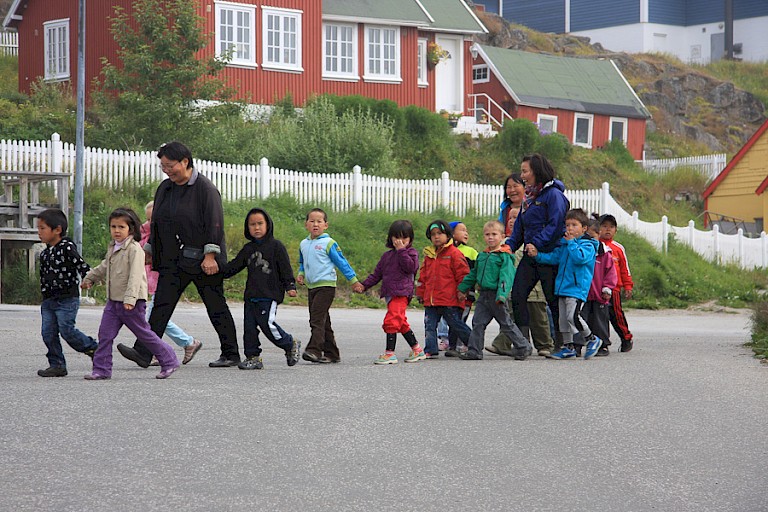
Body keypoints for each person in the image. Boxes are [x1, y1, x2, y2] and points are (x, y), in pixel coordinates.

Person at [115, 142, 240, 368]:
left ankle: (231, 353)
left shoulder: (205, 189)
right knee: (161, 306)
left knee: (216, 306)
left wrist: (210, 255)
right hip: (173, 259)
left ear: (185, 162)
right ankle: (144, 352)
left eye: (170, 165)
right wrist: (149, 250)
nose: (167, 170)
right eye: (163, 166)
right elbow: (157, 223)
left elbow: (215, 223)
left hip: (202, 260)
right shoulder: (165, 188)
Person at [81, 208, 180, 379]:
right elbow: (104, 266)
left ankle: (169, 360)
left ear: (131, 229)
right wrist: (90, 278)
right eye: (113, 226)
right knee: (105, 335)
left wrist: (130, 298)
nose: (117, 231)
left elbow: (136, 276)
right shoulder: (113, 247)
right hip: (114, 302)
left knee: (144, 334)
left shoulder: (135, 250)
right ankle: (102, 369)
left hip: (131, 303)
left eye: (121, 227)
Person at [221, 207, 301, 370]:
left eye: (260, 223)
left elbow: (285, 268)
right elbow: (234, 266)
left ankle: (289, 343)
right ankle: (253, 357)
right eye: (252, 224)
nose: (256, 228)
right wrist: (219, 271)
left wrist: (290, 285)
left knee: (267, 324)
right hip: (251, 296)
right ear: (247, 227)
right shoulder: (248, 249)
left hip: (269, 295)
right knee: (249, 328)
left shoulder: (276, 246)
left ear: (268, 225)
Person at [506, 154, 570, 351]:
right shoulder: (529, 198)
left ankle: (562, 342)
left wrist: (537, 243)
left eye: (525, 171)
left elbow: (555, 224)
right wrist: (509, 246)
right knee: (517, 295)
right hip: (530, 253)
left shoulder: (554, 195)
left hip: (550, 254)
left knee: (553, 300)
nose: (522, 175)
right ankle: (523, 343)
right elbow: (520, 227)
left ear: (536, 171)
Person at [489, 176, 555, 357]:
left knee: (538, 314)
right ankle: (512, 344)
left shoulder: (539, 205)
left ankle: (545, 344)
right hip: (512, 282)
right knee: (512, 311)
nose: (512, 220)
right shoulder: (505, 242)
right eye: (508, 187)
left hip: (535, 279)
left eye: (515, 185)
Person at [529, 208, 602, 360]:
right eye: (567, 225)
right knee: (563, 320)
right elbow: (554, 258)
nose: (570, 228)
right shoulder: (565, 245)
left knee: (572, 316)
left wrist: (571, 243)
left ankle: (592, 339)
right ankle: (568, 347)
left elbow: (580, 258)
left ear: (584, 228)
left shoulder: (588, 245)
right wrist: (537, 255)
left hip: (576, 289)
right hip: (562, 288)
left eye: (574, 225)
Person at [35, 208, 98, 377]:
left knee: (67, 330)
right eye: (38, 228)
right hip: (49, 300)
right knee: (48, 333)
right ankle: (57, 364)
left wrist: (88, 278)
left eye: (42, 228)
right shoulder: (45, 253)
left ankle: (93, 348)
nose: (39, 232)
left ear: (57, 230)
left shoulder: (67, 247)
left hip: (67, 298)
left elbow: (81, 264)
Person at [297, 208, 364, 364]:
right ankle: (332, 353)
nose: (315, 224)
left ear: (325, 225)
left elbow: (341, 262)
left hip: (326, 286)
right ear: (306, 224)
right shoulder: (304, 244)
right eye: (312, 221)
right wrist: (301, 273)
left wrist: (353, 280)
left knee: (316, 319)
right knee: (323, 321)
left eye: (319, 221)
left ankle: (314, 350)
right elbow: (302, 262)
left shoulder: (328, 243)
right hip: (312, 287)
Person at [457, 220, 530, 360]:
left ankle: (523, 347)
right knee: (478, 322)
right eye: (487, 234)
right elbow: (473, 274)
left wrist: (502, 295)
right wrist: (462, 288)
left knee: (506, 324)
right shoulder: (482, 256)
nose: (490, 237)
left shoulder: (504, 256)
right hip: (483, 295)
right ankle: (474, 351)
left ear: (502, 236)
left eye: (494, 234)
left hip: (497, 295)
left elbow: (506, 277)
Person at [140, 201, 202, 366]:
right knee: (156, 318)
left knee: (154, 318)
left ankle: (180, 344)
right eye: (148, 220)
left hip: (162, 281)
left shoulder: (167, 236)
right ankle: (184, 343)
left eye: (153, 220)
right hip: (149, 282)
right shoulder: (143, 235)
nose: (150, 223)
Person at [357, 220, 426, 365]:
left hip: (402, 293)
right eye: (396, 237)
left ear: (410, 239)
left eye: (404, 238)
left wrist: (401, 251)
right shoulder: (387, 256)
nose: (400, 241)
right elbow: (376, 275)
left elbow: (410, 268)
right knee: (401, 323)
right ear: (391, 238)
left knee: (391, 321)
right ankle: (417, 349)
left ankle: (390, 353)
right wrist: (364, 286)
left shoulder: (411, 253)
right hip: (390, 293)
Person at [416, 220, 471, 359]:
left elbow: (463, 274)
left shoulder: (454, 253)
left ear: (448, 235)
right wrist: (420, 293)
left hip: (449, 300)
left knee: (456, 324)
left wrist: (462, 291)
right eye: (433, 234)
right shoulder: (429, 255)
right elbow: (423, 277)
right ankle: (431, 349)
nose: (436, 237)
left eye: (439, 233)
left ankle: (473, 343)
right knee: (429, 325)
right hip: (431, 300)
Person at [436, 220, 478, 353]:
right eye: (462, 230)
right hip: (448, 294)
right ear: (451, 234)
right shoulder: (444, 251)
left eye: (467, 231)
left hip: (466, 294)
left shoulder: (471, 252)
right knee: (450, 319)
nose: (466, 233)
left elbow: (476, 272)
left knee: (460, 319)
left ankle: (464, 343)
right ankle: (450, 344)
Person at [580, 218, 617, 357]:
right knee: (581, 319)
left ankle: (603, 345)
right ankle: (578, 345)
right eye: (586, 237)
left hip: (599, 294)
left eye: (593, 237)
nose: (590, 240)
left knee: (600, 320)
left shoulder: (605, 253)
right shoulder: (581, 252)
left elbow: (611, 273)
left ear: (599, 234)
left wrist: (607, 288)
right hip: (583, 293)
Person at [598, 214, 635, 352]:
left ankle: (626, 337)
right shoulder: (594, 245)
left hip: (614, 289)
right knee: (600, 316)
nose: (608, 229)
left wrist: (628, 286)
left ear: (616, 230)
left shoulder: (618, 248)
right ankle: (602, 343)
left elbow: (625, 269)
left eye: (611, 227)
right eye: (604, 226)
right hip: (597, 288)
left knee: (616, 315)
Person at [499, 173, 525, 237]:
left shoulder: (531, 208)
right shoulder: (505, 210)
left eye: (515, 186)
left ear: (525, 187)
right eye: (509, 187)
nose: (512, 190)